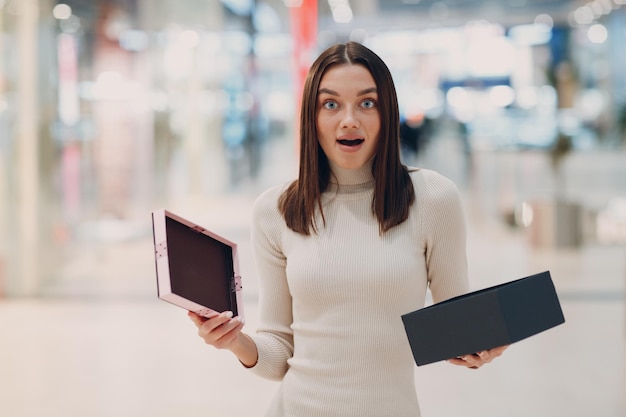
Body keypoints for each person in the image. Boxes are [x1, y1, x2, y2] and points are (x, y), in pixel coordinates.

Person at [188, 41, 507, 417]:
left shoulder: (433, 199)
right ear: (312, 116)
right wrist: (235, 342)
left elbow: (456, 326)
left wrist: (478, 345)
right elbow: (279, 352)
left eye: (367, 103)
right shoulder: (277, 211)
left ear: (388, 113)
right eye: (331, 104)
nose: (349, 120)